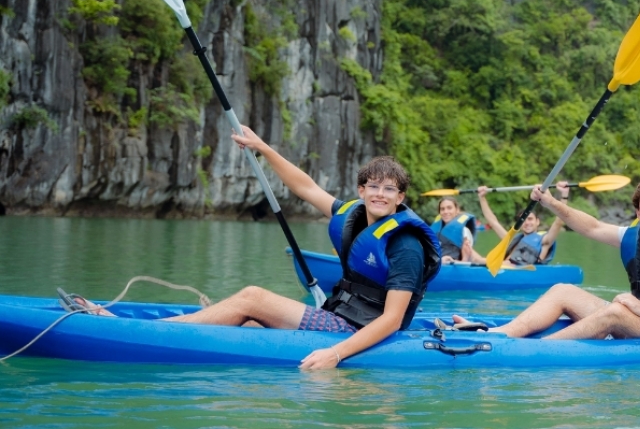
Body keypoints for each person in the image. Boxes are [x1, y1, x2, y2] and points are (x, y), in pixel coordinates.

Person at [60, 126, 441, 369]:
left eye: (388, 188)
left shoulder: (405, 244)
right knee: (251, 320)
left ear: (400, 197)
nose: (379, 193)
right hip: (338, 317)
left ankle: (138, 331)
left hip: (356, 330)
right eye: (372, 186)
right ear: (361, 191)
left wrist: (336, 353)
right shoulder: (354, 216)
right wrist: (262, 148)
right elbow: (305, 187)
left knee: (252, 298)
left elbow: (391, 319)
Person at [454, 177, 640, 340]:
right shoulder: (636, 236)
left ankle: (536, 349)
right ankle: (498, 335)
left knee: (618, 311)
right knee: (563, 291)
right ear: (639, 212)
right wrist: (550, 202)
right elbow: (591, 226)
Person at [477, 181, 570, 268]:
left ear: (537, 221)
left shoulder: (544, 241)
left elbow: (559, 222)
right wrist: (482, 198)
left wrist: (564, 195)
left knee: (481, 260)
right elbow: (493, 223)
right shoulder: (512, 239)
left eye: (530, 219)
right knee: (471, 253)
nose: (527, 223)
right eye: (523, 220)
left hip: (522, 271)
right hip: (503, 267)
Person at [431, 197, 480, 263]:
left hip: (454, 266)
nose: (445, 211)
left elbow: (469, 258)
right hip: (436, 264)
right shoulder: (434, 229)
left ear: (457, 210)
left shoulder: (464, 231)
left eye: (449, 208)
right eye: (442, 209)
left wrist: (458, 261)